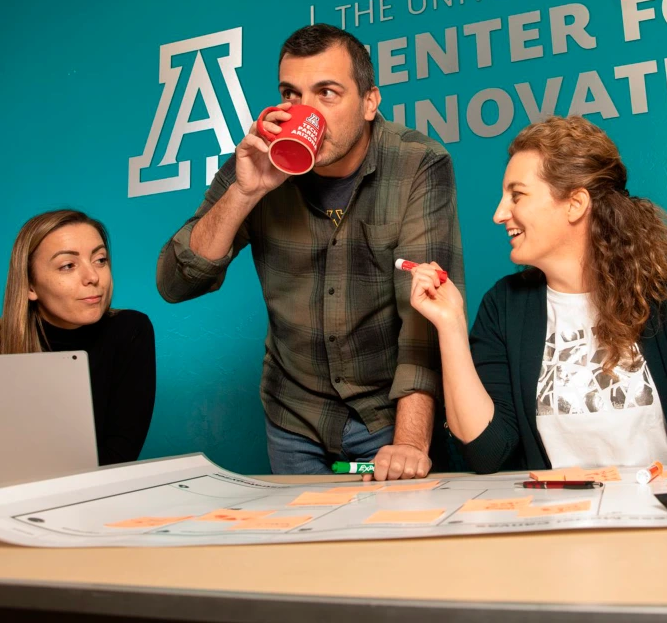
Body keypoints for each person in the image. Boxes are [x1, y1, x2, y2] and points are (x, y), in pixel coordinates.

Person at [403, 116, 667, 486]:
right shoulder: (503, 306)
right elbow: (488, 451)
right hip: (555, 529)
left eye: (516, 195)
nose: (499, 214)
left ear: (575, 203)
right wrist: (450, 325)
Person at [157, 24, 464, 477]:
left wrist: (410, 445)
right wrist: (243, 193)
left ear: (369, 102)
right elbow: (175, 282)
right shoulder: (258, 161)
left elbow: (423, 317)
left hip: (386, 417)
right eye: (291, 94)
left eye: (327, 93)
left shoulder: (418, 163)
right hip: (293, 415)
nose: (305, 111)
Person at [0, 209, 155, 466]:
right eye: (68, 265)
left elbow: (119, 453)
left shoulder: (130, 330)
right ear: (30, 286)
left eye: (100, 260)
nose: (93, 277)